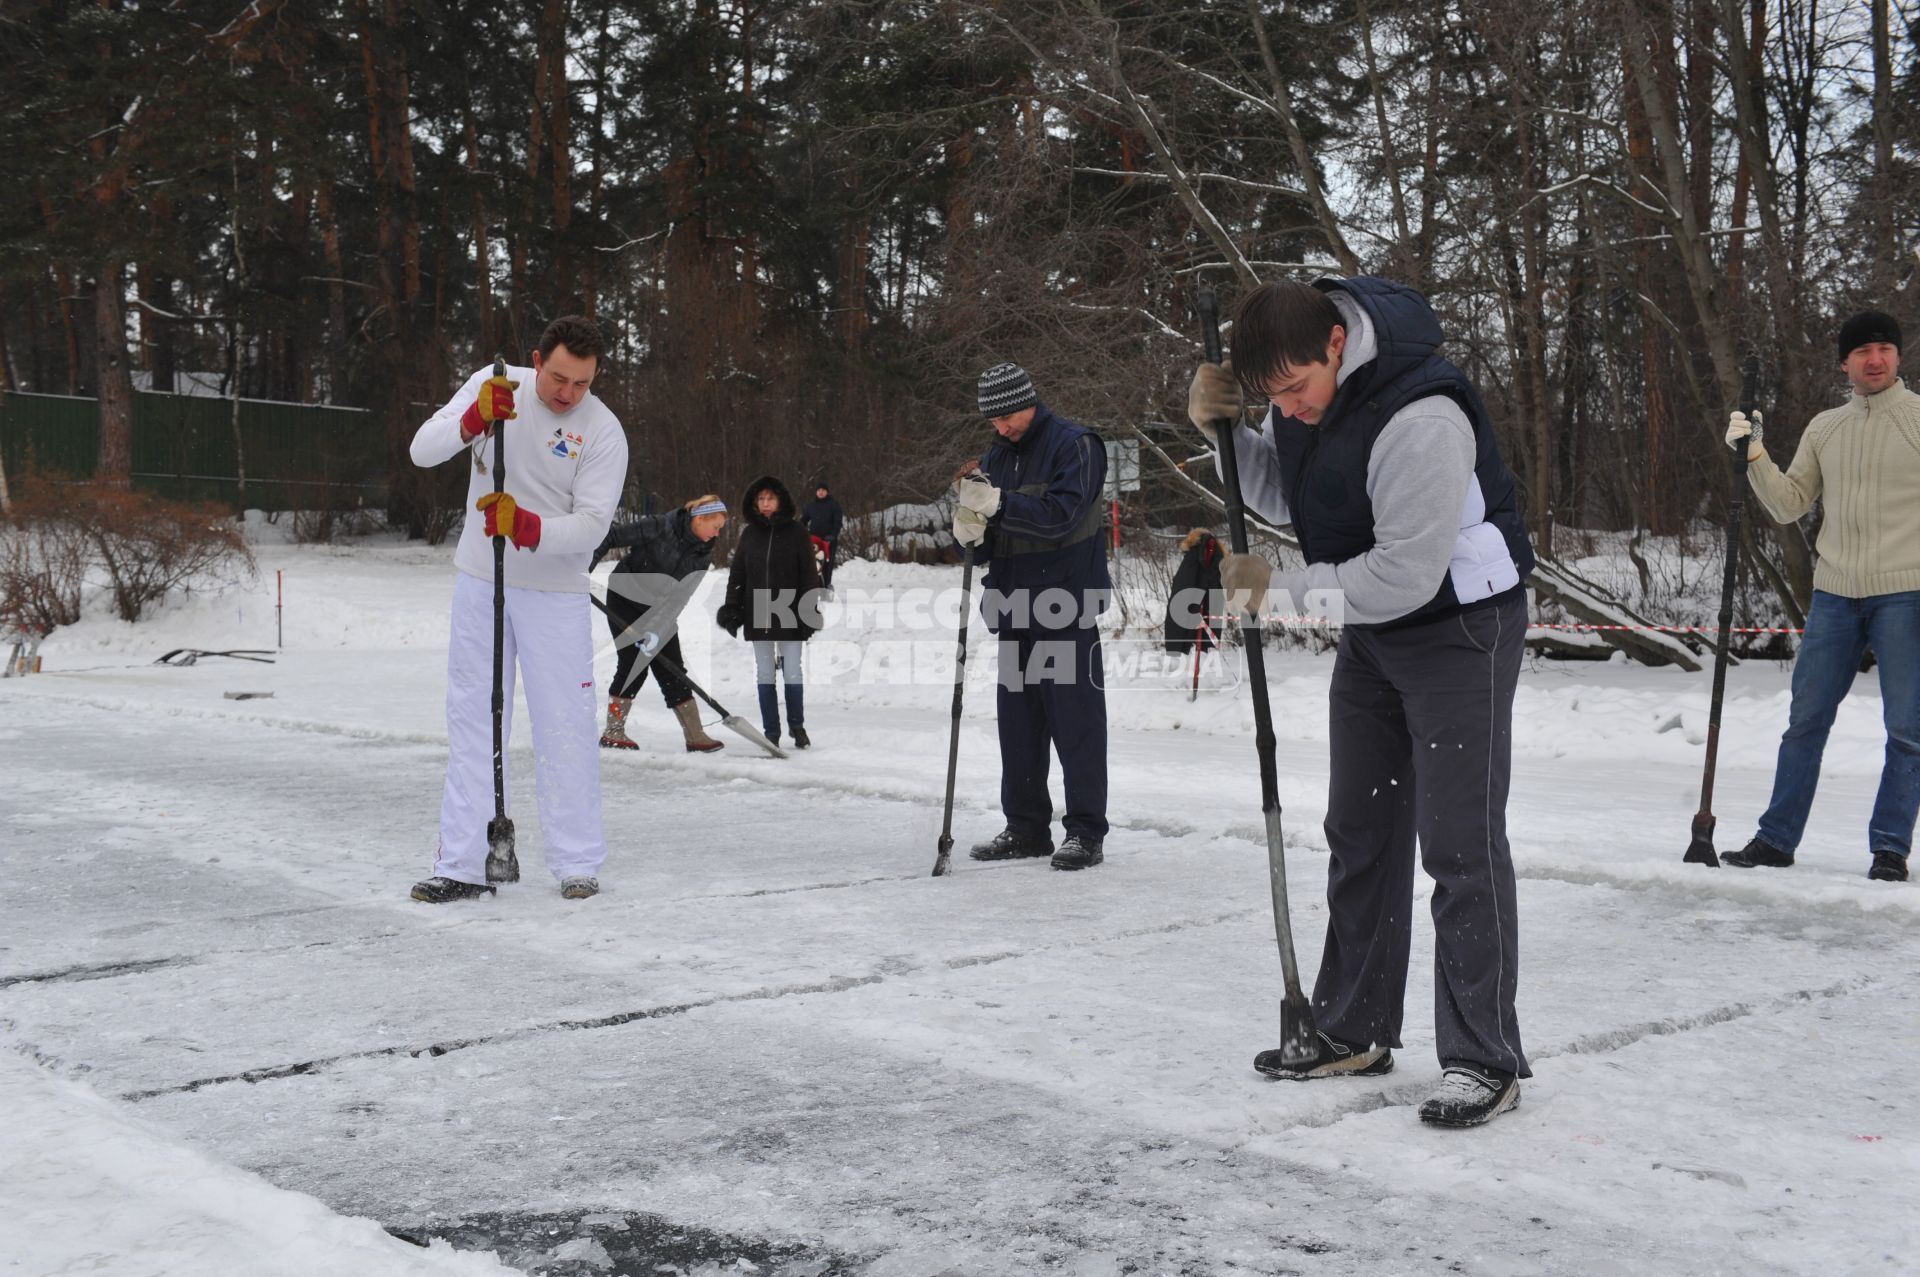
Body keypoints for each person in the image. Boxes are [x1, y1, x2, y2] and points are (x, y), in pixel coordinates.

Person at [1187, 277, 1535, 1127]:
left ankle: (1484, 1056)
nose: (1292, 410)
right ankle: (1354, 1026)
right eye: (1272, 398)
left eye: (1295, 391)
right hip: (1375, 629)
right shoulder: (1307, 391)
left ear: (1336, 345)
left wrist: (1274, 593)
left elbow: (1401, 573)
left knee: (1459, 843)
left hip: (1459, 623)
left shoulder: (1422, 418)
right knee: (1362, 825)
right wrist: (1225, 435)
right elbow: (1294, 496)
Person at [406, 316, 628, 903]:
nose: (567, 394)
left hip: (555, 594)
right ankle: (462, 864)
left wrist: (527, 526)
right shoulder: (494, 384)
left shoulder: (603, 431)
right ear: (537, 360)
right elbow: (422, 451)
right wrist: (475, 418)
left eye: (582, 383)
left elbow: (592, 525)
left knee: (565, 723)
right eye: (558, 378)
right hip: (482, 581)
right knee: (475, 718)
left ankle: (576, 859)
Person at [1722, 310, 1920, 883]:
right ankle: (1776, 840)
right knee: (1805, 723)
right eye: (1863, 352)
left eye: (1884, 348)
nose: (1875, 359)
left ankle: (1889, 849)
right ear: (1845, 363)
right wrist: (1754, 453)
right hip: (1835, 595)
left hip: (1906, 592)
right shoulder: (1825, 427)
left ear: (1898, 356)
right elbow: (1789, 504)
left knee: (1907, 729)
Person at [954, 362, 1111, 871]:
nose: (998, 428)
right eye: (991, 421)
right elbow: (993, 530)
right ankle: (1025, 827)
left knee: (1075, 724)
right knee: (1018, 726)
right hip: (1013, 605)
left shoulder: (1077, 446)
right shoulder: (997, 457)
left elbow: (1061, 517)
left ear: (1027, 401)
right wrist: (972, 533)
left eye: (1004, 417)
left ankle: (1085, 832)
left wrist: (997, 504)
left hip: (1064, 605)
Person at [595, 494, 729, 754]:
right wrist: (585, 567)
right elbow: (611, 537)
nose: (717, 534)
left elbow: (680, 597)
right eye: (716, 527)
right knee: (633, 664)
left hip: (659, 607)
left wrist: (656, 628)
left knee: (673, 668)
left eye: (720, 529)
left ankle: (695, 735)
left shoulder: (702, 555)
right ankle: (613, 730)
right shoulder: (660, 526)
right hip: (624, 596)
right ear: (700, 519)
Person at [717, 477, 823, 749]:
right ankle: (771, 732)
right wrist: (732, 607)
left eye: (770, 499)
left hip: (789, 607)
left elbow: (809, 576)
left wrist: (808, 611)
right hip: (758, 608)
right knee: (765, 672)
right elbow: (738, 575)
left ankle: (797, 727)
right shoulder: (750, 534)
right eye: (761, 499)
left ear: (781, 501)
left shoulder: (797, 532)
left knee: (792, 671)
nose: (765, 504)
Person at [801, 481, 845, 592]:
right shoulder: (811, 505)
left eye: (823, 490)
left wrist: (833, 535)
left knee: (827, 564)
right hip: (814, 540)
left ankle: (826, 586)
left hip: (828, 540)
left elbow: (838, 522)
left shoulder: (834, 505)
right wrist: (800, 530)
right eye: (818, 490)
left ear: (827, 492)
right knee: (812, 563)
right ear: (816, 492)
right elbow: (804, 519)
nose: (820, 492)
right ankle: (812, 586)